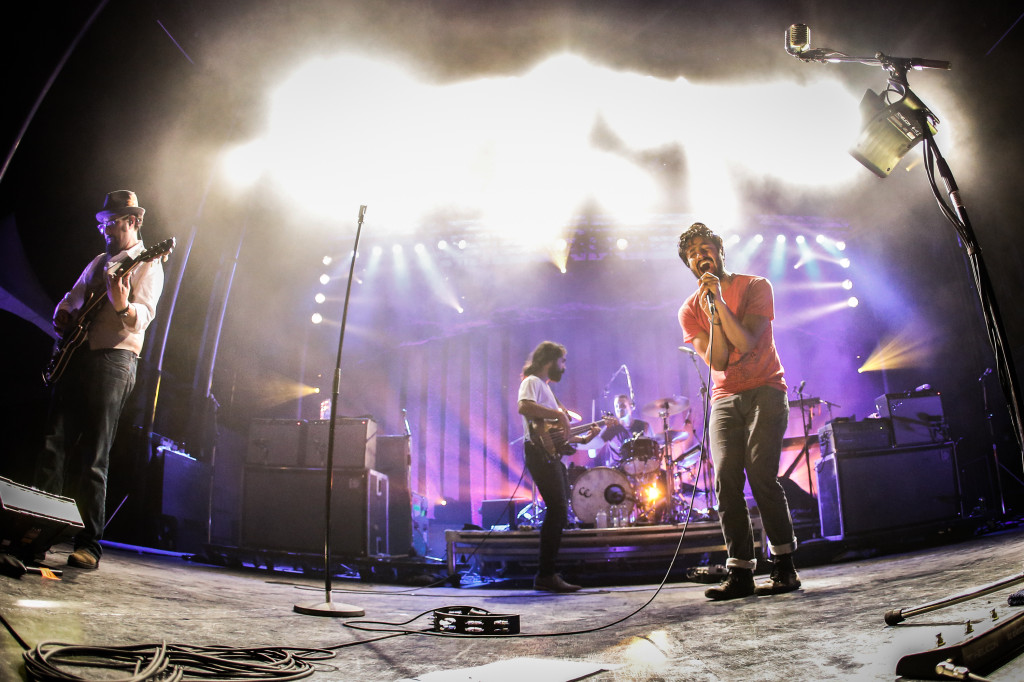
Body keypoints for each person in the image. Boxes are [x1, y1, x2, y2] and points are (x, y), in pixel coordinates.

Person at [35, 190, 166, 570]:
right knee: (52, 445)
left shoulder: (147, 263)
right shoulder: (97, 263)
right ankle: (37, 533)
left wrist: (122, 303)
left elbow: (144, 316)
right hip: (78, 356)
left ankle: (89, 544)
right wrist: (62, 312)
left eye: (113, 222)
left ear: (134, 222)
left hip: (115, 360)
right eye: (102, 223)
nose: (106, 229)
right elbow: (71, 299)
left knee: (95, 454)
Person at [677, 222, 800, 600]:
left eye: (705, 246)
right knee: (726, 480)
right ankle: (741, 573)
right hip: (725, 397)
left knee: (761, 474)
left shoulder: (755, 286)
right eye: (692, 252)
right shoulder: (689, 310)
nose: (700, 254)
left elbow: (745, 343)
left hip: (765, 388)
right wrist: (712, 312)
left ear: (719, 250)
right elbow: (719, 361)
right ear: (688, 264)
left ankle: (783, 567)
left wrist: (719, 301)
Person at [517, 341, 601, 592]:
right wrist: (561, 415)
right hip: (538, 453)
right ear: (549, 361)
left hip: (549, 454)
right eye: (562, 362)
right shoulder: (532, 381)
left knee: (560, 511)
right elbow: (523, 406)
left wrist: (586, 438)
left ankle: (548, 572)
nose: (564, 368)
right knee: (557, 511)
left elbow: (556, 435)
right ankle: (545, 574)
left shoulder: (545, 389)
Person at [583, 394, 654, 468]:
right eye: (616, 406)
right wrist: (592, 439)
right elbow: (592, 454)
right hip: (617, 472)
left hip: (640, 468)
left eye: (622, 405)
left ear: (631, 406)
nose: (619, 408)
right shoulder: (610, 428)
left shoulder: (644, 426)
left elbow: (654, 448)